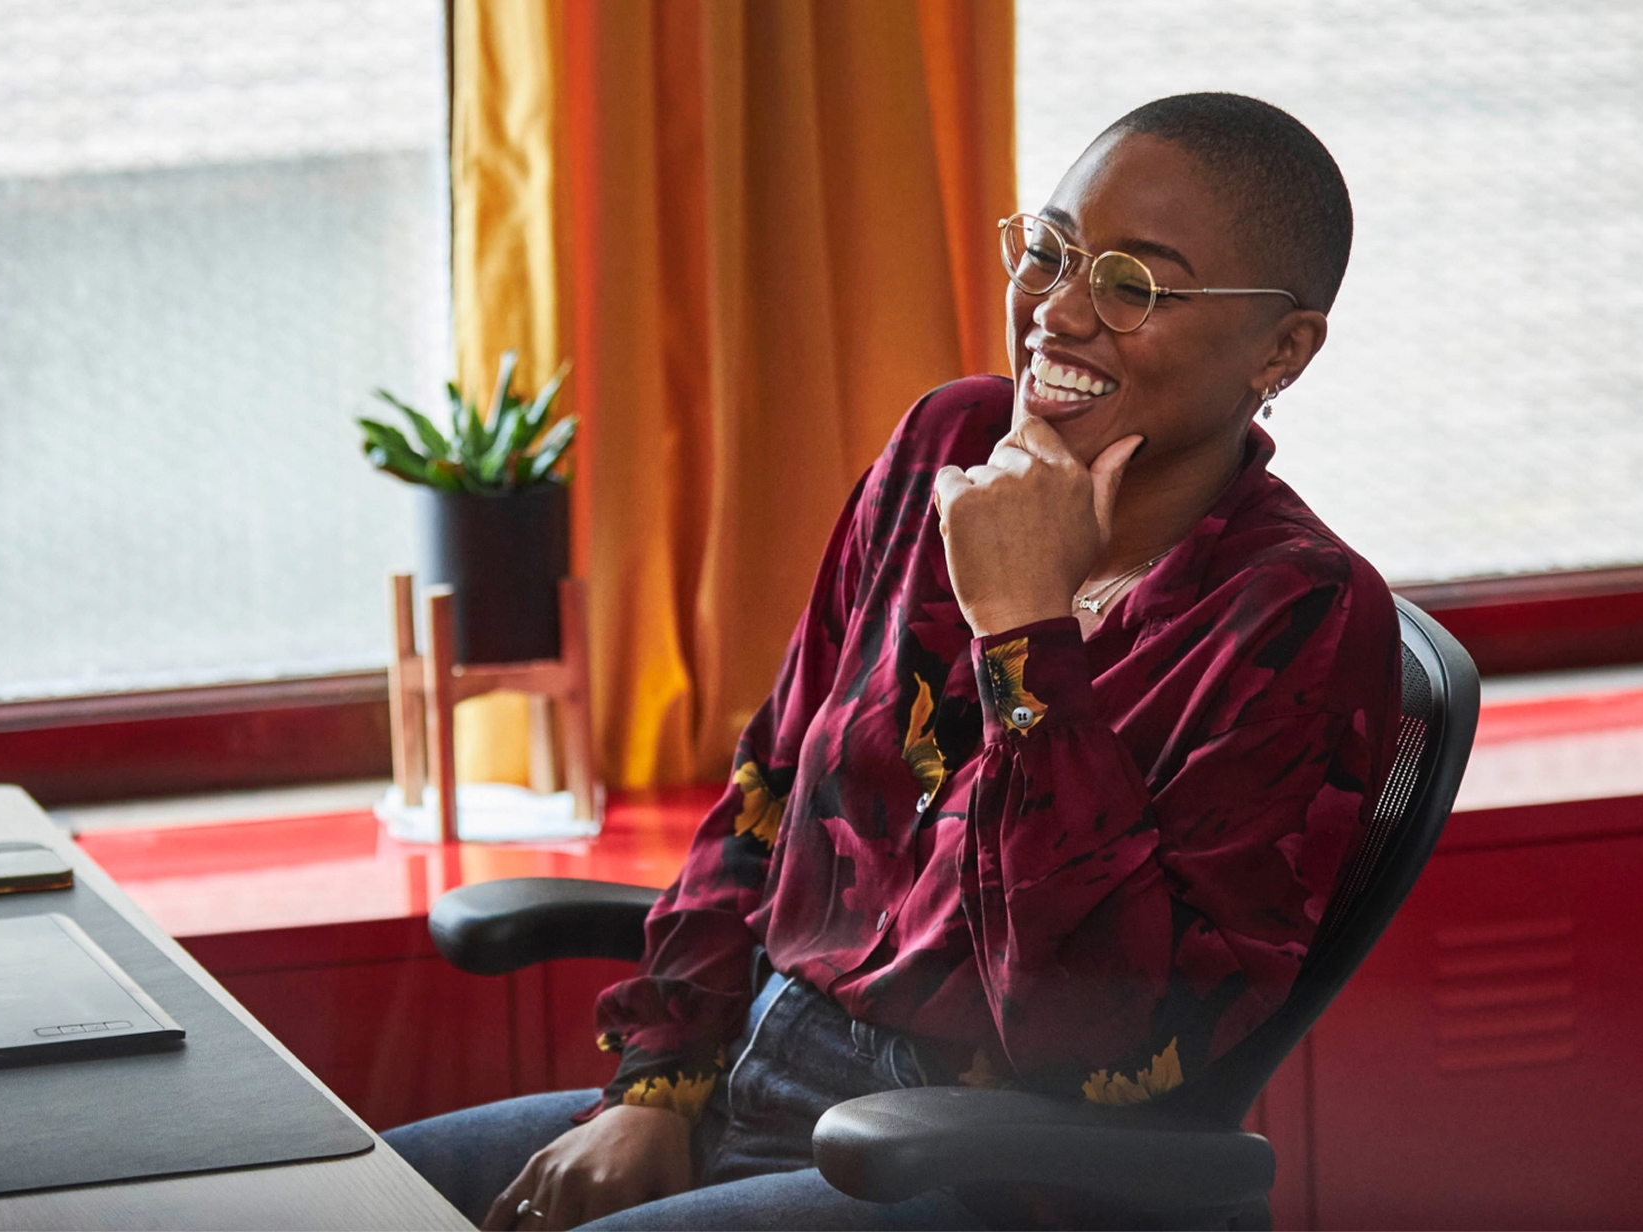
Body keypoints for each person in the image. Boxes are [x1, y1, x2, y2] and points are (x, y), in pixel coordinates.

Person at [385, 91, 1400, 1231]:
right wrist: (655, 1086)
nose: (1058, 311)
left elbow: (1098, 1026)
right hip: (752, 1076)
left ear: (1284, 348)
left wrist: (1026, 635)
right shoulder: (946, 448)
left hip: (986, 1167)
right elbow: (766, 790)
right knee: (329, 1191)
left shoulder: (1296, 611)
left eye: (1134, 283)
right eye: (1053, 251)